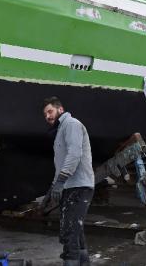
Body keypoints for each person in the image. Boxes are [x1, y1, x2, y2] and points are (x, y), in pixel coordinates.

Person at [41, 96, 95, 266]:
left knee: (69, 233)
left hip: (79, 186)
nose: (48, 116)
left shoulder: (71, 124)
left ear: (60, 109)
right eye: (45, 114)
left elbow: (74, 155)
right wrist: (51, 190)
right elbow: (61, 164)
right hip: (71, 186)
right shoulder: (60, 131)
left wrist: (60, 181)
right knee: (76, 231)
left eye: (50, 111)